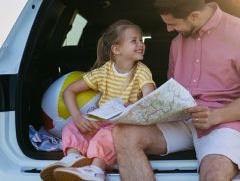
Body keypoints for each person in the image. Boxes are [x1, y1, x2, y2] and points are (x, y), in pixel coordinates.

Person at [113, 0, 240, 180]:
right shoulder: (177, 43)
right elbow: (172, 92)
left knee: (214, 174)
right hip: (182, 121)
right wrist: (141, 109)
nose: (169, 30)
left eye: (172, 24)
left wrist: (215, 116)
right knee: (124, 134)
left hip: (225, 124)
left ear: (194, 16)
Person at [40, 20, 155, 181]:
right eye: (134, 40)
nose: (141, 44)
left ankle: (96, 170)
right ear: (116, 49)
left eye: (141, 40)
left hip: (123, 123)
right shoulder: (104, 71)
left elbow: (151, 96)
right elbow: (69, 91)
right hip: (102, 118)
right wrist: (78, 118)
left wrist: (136, 105)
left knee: (106, 135)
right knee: (71, 127)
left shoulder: (142, 71)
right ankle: (73, 158)